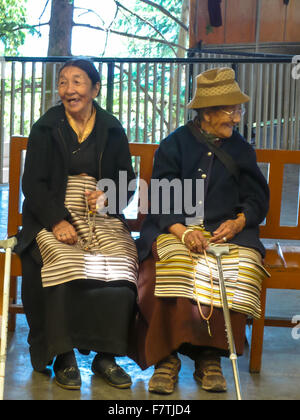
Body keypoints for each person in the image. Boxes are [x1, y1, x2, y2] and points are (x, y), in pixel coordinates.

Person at [132, 67, 270, 395]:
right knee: (167, 269)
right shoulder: (174, 145)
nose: (236, 119)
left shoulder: (240, 148)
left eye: (238, 110)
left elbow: (256, 198)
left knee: (238, 269)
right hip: (176, 227)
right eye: (230, 111)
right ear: (207, 113)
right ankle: (166, 358)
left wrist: (239, 221)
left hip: (228, 231)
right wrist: (183, 232)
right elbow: (162, 198)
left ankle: (212, 356)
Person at [15, 59, 138, 390]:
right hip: (52, 210)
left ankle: (106, 355)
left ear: (95, 89)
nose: (69, 90)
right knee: (64, 261)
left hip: (98, 213)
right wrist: (56, 220)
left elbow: (127, 181)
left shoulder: (111, 128)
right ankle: (63, 354)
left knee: (122, 263)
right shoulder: (46, 127)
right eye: (63, 82)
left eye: (78, 82)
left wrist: (107, 194)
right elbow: (33, 184)